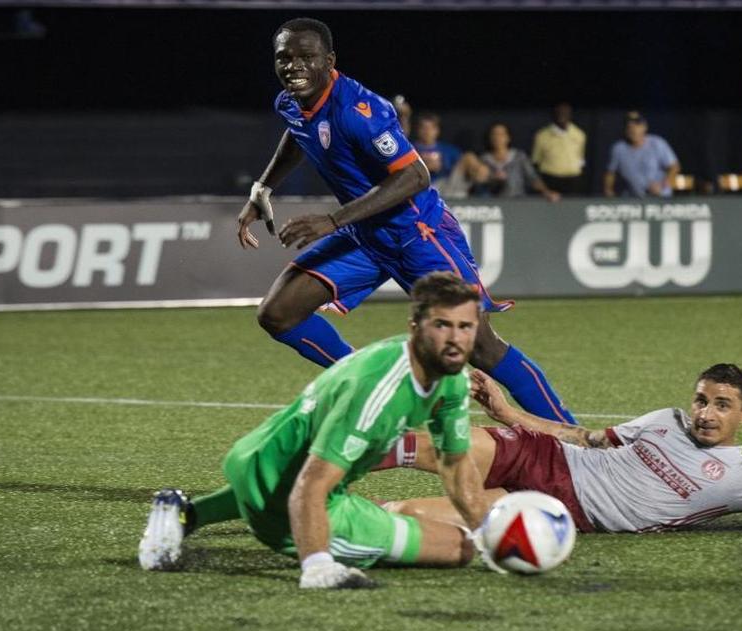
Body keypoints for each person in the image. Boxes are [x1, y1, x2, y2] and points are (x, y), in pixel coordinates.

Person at [236, 18, 577, 424]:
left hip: (418, 233)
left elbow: (416, 176)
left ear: (329, 61)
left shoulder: (360, 111)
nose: (294, 66)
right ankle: (381, 386)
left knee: (481, 347)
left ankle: (574, 438)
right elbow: (299, 133)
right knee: (278, 312)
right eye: (284, 58)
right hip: (365, 234)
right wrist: (262, 189)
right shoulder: (291, 102)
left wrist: (333, 220)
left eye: (306, 57)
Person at [138, 273, 495, 589]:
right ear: (415, 326)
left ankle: (184, 512)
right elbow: (311, 483)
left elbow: (455, 461)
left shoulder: (451, 379)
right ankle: (311, 549)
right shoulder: (378, 389)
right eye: (442, 325)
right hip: (292, 498)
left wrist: (486, 533)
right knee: (457, 547)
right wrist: (318, 565)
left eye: (465, 327)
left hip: (258, 462)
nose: (455, 339)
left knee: (467, 537)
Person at [380, 365, 742, 538]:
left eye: (721, 405)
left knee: (415, 514)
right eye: (701, 400)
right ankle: (321, 457)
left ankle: (325, 524)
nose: (705, 413)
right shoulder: (662, 421)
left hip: (566, 514)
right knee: (438, 447)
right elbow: (585, 438)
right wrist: (512, 414)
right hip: (545, 459)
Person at [602, 111, 680, 198]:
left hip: (659, 198)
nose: (633, 129)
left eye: (637, 125)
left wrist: (662, 185)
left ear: (644, 127)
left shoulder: (657, 143)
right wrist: (608, 190)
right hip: (633, 201)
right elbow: (610, 172)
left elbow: (674, 167)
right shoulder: (618, 149)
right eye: (629, 126)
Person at [480, 122, 560, 201]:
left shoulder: (519, 157)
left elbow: (532, 178)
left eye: (501, 134)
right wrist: (493, 179)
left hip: (517, 202)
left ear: (508, 138)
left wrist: (546, 192)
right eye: (494, 134)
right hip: (493, 204)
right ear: (489, 138)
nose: (497, 138)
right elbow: (480, 183)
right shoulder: (484, 159)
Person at [531, 102, 587, 195]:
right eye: (559, 112)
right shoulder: (542, 136)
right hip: (550, 179)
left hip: (573, 180)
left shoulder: (579, 134)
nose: (562, 115)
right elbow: (536, 160)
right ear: (553, 114)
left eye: (565, 112)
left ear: (570, 114)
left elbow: (580, 158)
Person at [413, 112, 462, 190]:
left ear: (437, 130)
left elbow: (458, 171)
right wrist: (423, 168)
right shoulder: (409, 149)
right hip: (418, 187)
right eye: (423, 128)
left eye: (431, 128)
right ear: (417, 129)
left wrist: (442, 166)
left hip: (445, 187)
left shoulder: (448, 150)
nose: (427, 131)